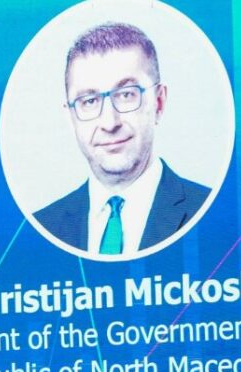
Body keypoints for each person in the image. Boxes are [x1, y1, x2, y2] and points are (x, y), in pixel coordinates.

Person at [33, 22, 211, 258]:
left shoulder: (209, 211)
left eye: (126, 95)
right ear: (70, 116)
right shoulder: (41, 227)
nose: (109, 123)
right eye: (89, 101)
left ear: (159, 103)